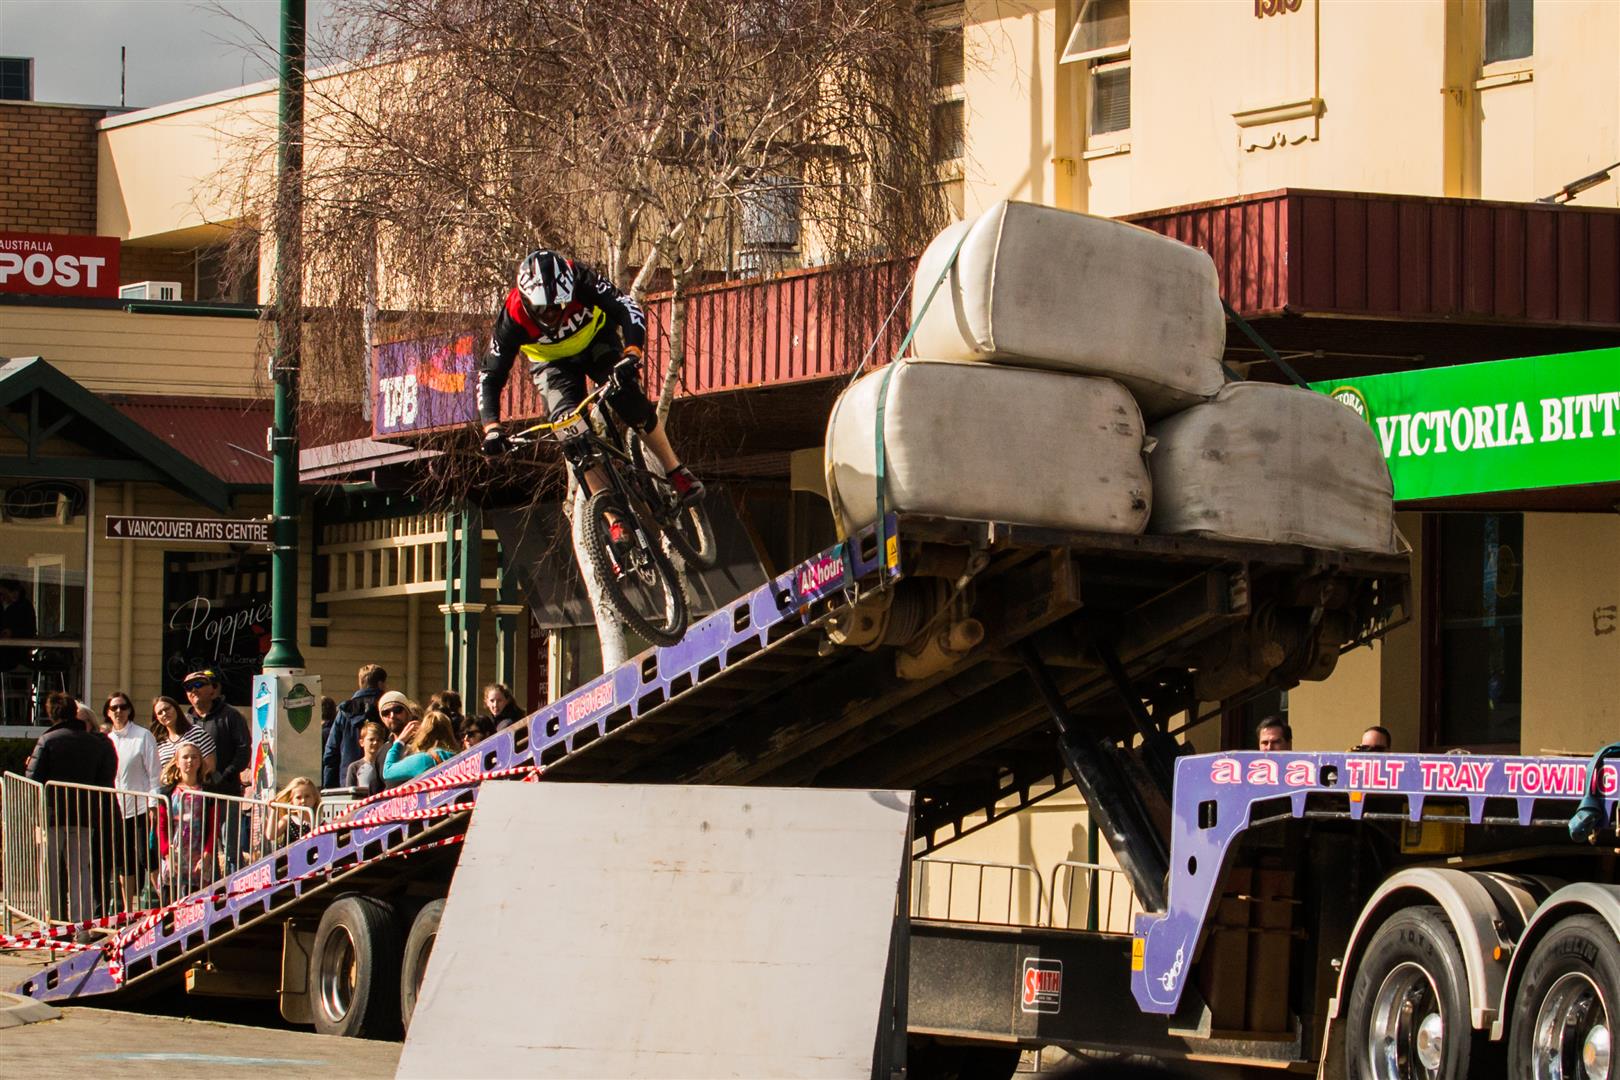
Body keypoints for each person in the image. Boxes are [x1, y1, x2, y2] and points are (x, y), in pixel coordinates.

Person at [477, 250, 705, 542]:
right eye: (544, 309)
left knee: (628, 399)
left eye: (558, 305)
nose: (552, 314)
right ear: (526, 301)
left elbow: (626, 307)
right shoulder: (513, 316)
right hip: (552, 367)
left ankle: (676, 471)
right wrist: (492, 428)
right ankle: (613, 518)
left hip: (597, 342)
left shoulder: (580, 278)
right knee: (570, 434)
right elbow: (490, 375)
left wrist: (632, 352)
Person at [27, 691, 116, 928]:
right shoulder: (96, 742)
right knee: (81, 873)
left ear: (50, 714)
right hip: (84, 815)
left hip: (53, 816)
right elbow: (106, 777)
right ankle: (82, 926)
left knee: (52, 874)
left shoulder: (48, 740)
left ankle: (53, 925)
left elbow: (33, 777)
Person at [182, 669, 251, 870]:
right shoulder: (186, 721)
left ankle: (234, 897)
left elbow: (243, 749)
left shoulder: (230, 715)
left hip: (225, 793)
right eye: (188, 687)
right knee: (199, 849)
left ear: (212, 689)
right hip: (195, 795)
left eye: (199, 685)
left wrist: (225, 774)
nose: (193, 690)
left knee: (230, 849)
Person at [103, 690, 159, 911]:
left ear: (129, 710)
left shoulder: (143, 736)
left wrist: (153, 805)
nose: (119, 711)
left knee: (147, 855)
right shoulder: (106, 740)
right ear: (107, 712)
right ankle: (128, 910)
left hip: (141, 806)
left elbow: (154, 774)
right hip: (116, 808)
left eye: (123, 707)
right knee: (123, 859)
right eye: (114, 707)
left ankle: (164, 904)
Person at [155, 742, 217, 900]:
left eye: (194, 757)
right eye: (185, 757)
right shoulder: (167, 792)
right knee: (171, 899)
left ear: (200, 761)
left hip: (198, 853)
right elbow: (161, 826)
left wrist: (208, 854)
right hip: (174, 852)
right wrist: (167, 854)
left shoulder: (208, 792)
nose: (190, 760)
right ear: (177, 761)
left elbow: (213, 825)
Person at [322, 664, 387, 790]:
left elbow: (331, 752)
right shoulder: (387, 711)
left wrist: (328, 788)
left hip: (348, 782)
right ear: (381, 684)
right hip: (381, 783)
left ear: (360, 683)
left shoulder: (345, 711)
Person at [382, 705, 458, 785]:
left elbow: (387, 771)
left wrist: (399, 741)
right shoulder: (460, 758)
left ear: (424, 733)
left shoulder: (422, 760)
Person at [152, 694, 218, 780]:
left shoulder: (198, 734)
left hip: (194, 790)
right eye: (160, 713)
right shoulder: (158, 743)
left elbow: (210, 767)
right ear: (157, 718)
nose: (164, 714)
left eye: (167, 709)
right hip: (167, 790)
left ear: (176, 709)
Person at [267, 777, 319, 847]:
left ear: (315, 799)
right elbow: (271, 835)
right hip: (290, 857)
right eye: (298, 797)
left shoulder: (320, 822)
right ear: (292, 801)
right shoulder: (288, 819)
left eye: (307, 796)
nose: (303, 800)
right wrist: (274, 810)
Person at [343, 719, 390, 796]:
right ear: (362, 742)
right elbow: (350, 794)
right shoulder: (354, 767)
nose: (375, 743)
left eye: (378, 740)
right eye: (371, 739)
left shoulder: (386, 765)